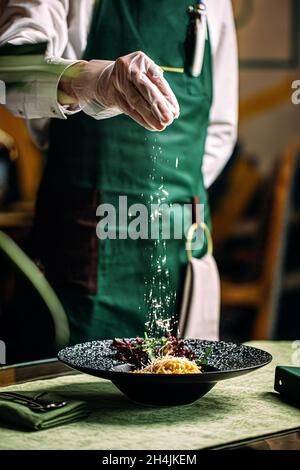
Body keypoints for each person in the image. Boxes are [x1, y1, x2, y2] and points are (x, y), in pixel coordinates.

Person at [0, 0, 238, 345]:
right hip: (82, 245)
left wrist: (163, 199)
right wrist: (92, 82)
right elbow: (11, 70)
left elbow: (220, 128)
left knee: (181, 385)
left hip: (180, 246)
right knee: (70, 387)